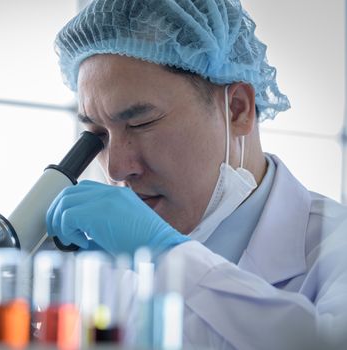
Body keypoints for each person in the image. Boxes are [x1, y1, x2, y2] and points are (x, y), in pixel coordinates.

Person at [45, 0, 347, 349]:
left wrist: (172, 259)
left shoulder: (336, 248)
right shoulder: (108, 271)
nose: (116, 168)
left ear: (237, 110)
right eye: (98, 136)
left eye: (141, 123)